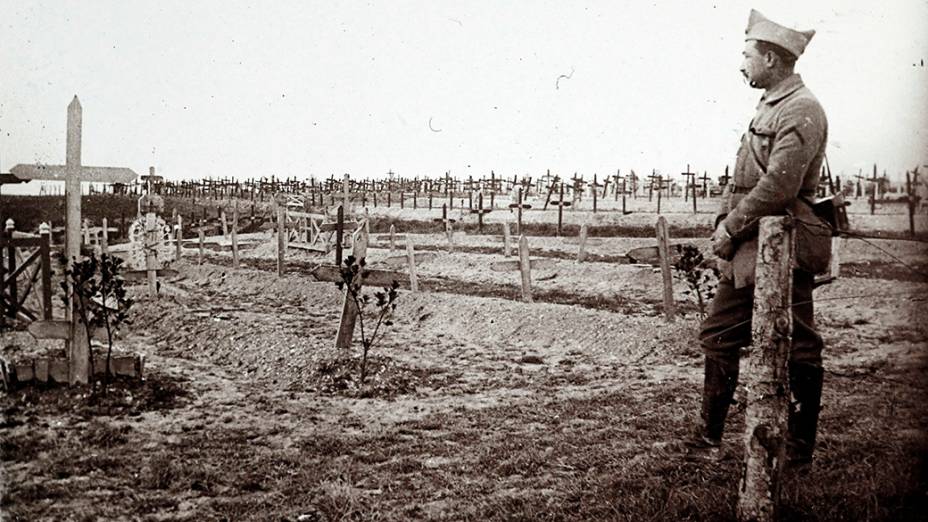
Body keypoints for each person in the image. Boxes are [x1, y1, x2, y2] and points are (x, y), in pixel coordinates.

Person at [685, 9, 833, 467]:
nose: (742, 63)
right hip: (753, 243)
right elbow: (746, 181)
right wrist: (722, 222)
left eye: (747, 55)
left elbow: (779, 187)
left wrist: (730, 228)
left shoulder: (801, 108)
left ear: (770, 58)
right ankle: (708, 438)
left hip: (782, 241)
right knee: (720, 332)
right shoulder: (772, 103)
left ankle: (798, 450)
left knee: (798, 341)